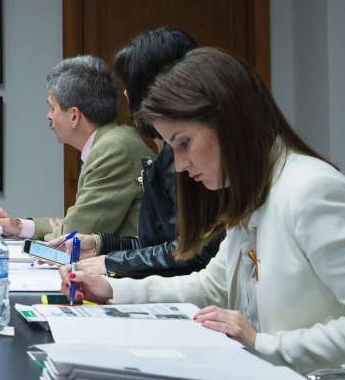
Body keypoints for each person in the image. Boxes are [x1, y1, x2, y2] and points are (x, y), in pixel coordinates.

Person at [63, 47, 345, 380]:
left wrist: (263, 344)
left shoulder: (312, 190)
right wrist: (113, 290)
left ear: (228, 121)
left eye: (184, 142)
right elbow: (212, 285)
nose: (181, 165)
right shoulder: (256, 191)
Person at [49, 27, 223, 278]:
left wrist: (113, 263)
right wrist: (101, 244)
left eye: (131, 85)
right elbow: (157, 245)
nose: (125, 95)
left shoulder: (186, 162)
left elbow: (191, 254)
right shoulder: (166, 156)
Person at [0, 55, 152, 239]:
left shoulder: (113, 150)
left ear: (74, 116)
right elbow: (77, 224)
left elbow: (72, 237)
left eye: (52, 108)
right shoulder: (113, 141)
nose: (49, 115)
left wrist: (63, 232)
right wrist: (18, 226)